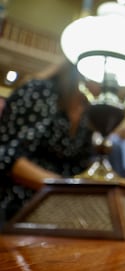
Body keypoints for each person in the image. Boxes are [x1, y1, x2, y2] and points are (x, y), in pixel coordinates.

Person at [0, 60, 96, 227]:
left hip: (59, 212)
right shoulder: (39, 91)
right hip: (15, 208)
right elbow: (8, 156)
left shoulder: (87, 111)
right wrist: (65, 189)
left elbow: (81, 168)